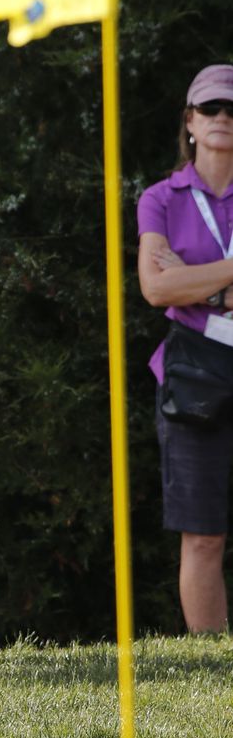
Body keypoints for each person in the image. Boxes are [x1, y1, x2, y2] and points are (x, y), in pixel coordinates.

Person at [138, 63, 233, 634]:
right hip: (194, 364)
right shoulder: (161, 198)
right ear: (190, 121)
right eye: (211, 108)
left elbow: (176, 283)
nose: (223, 117)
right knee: (202, 533)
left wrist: (194, 279)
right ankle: (214, 662)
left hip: (200, 334)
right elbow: (156, 288)